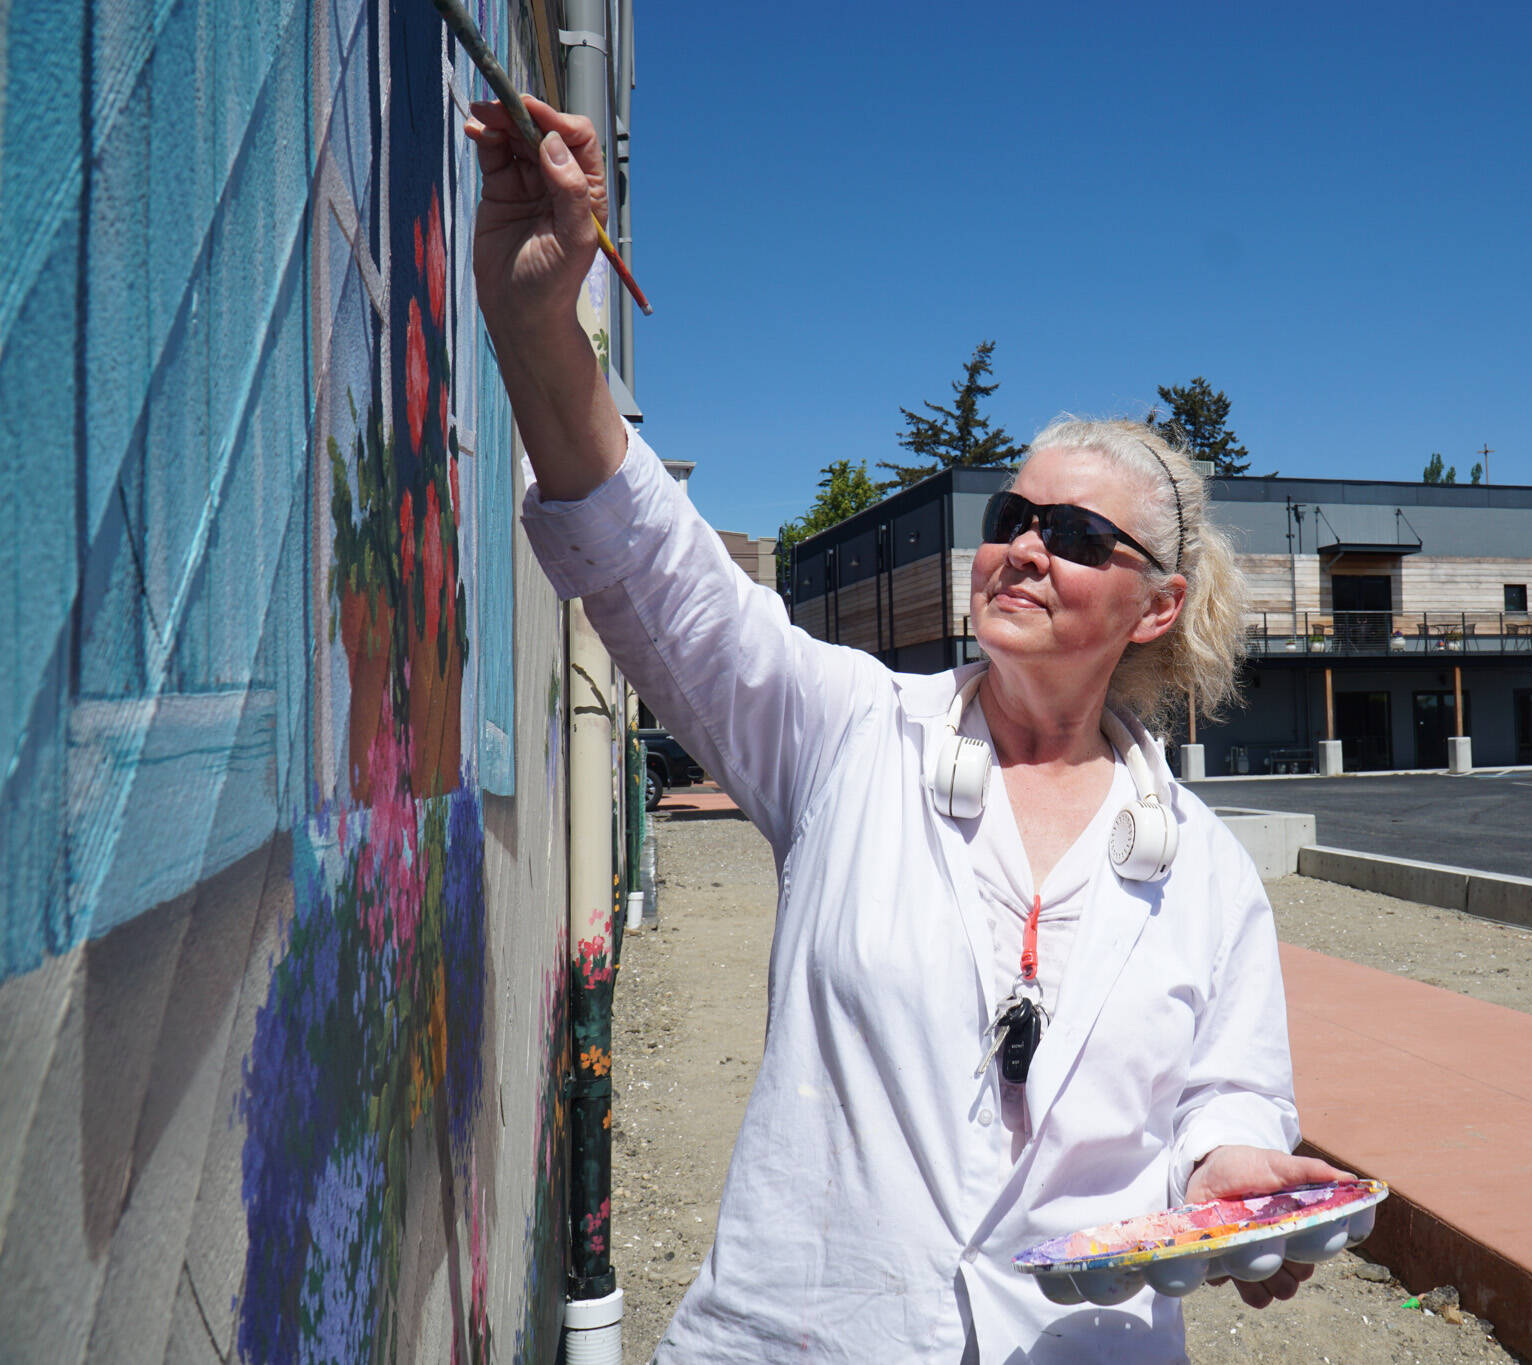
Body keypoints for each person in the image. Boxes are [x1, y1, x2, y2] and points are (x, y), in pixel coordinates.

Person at [465, 95, 1345, 1365]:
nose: (1027, 548)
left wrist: (1237, 1166)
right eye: (1012, 517)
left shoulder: (1200, 864)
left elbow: (1229, 1090)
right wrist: (537, 321)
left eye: (1080, 537)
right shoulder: (848, 737)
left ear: (1155, 607)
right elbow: (653, 570)